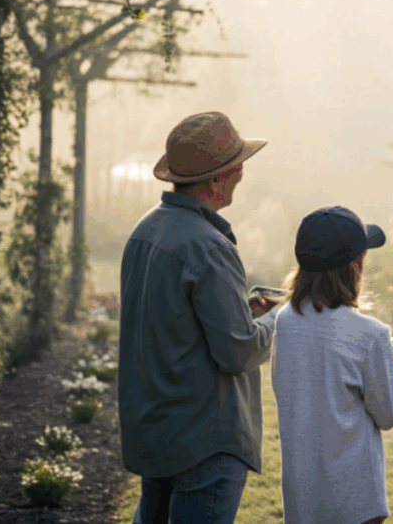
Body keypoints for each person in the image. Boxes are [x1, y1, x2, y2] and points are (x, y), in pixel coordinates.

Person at [119, 111, 280, 524]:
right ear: (214, 180)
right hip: (204, 438)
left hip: (158, 431)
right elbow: (238, 353)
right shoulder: (209, 247)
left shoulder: (145, 231)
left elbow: (173, 323)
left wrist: (242, 311)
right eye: (236, 165)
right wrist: (279, 320)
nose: (242, 172)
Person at [272, 206, 393, 524]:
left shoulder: (283, 321)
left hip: (302, 498)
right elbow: (389, 412)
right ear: (356, 263)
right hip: (355, 502)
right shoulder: (370, 334)